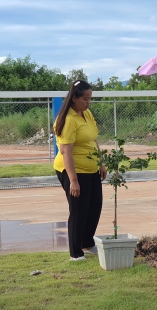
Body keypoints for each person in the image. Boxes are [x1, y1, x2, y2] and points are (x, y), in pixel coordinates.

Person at [53, 80, 107, 261]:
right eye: (85, 99)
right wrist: (73, 180)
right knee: (79, 210)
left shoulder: (86, 114)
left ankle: (87, 243)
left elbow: (93, 140)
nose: (88, 102)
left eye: (90, 99)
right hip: (73, 170)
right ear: (74, 98)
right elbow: (66, 152)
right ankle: (75, 253)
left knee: (94, 206)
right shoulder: (68, 120)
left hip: (91, 169)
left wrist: (101, 162)